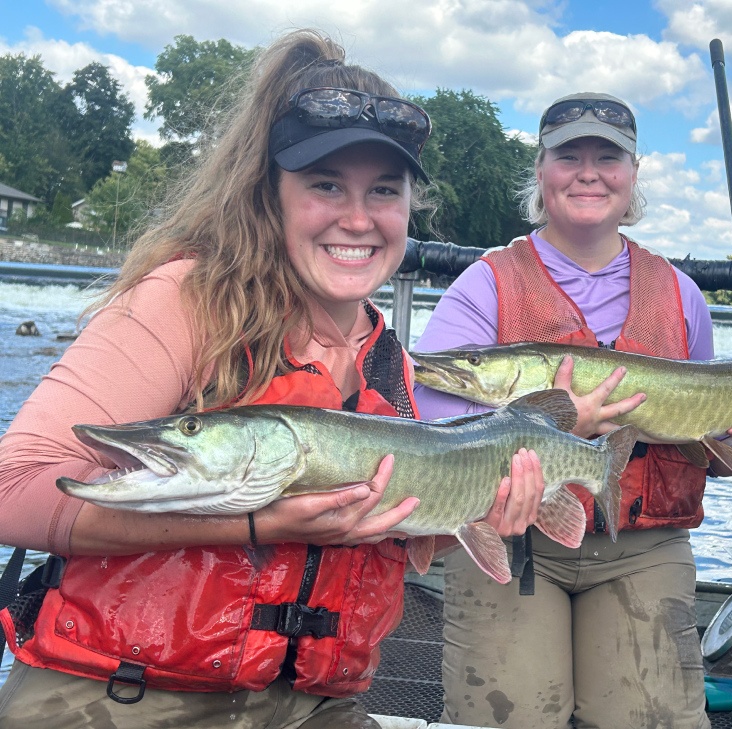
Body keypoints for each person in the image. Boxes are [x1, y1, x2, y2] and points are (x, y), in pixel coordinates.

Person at [0, 29, 544, 729]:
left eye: (383, 190)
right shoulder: (187, 301)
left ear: (412, 207)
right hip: (124, 697)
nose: (357, 217)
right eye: (325, 185)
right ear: (270, 194)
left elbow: (398, 548)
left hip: (305, 704)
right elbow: (13, 486)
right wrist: (253, 520)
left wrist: (474, 507)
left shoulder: (391, 363)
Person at [413, 92, 732, 729]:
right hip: (513, 540)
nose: (588, 172)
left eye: (607, 156)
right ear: (540, 169)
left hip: (645, 544)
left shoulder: (681, 295)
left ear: (633, 174)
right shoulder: (484, 284)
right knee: (510, 717)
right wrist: (563, 430)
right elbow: (434, 433)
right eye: (569, 155)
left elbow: (710, 444)